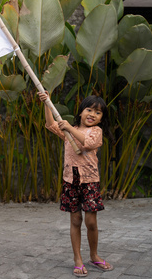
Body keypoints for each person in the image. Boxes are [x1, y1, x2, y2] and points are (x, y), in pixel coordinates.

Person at [38, 91, 114, 277]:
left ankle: (94, 255)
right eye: (89, 110)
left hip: (89, 182)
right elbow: (50, 125)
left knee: (91, 222)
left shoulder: (96, 131)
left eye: (98, 113)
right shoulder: (68, 130)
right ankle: (78, 259)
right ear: (80, 112)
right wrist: (47, 104)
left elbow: (88, 143)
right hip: (71, 181)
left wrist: (70, 129)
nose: (92, 114)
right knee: (75, 220)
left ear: (101, 118)